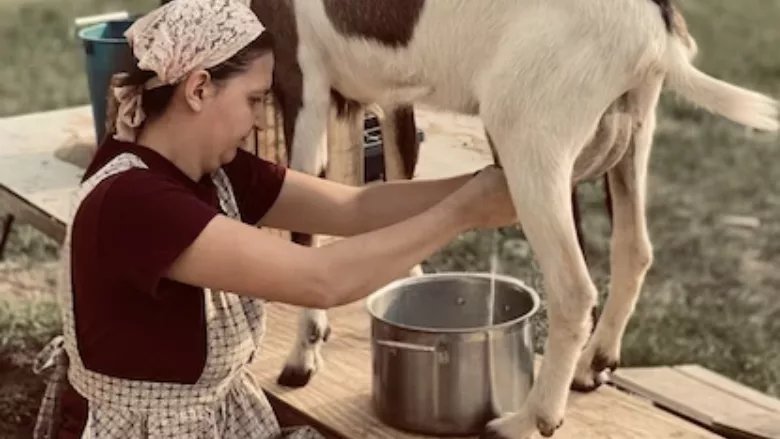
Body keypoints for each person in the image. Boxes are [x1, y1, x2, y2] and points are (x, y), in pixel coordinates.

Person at [31, 0, 518, 437]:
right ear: (198, 89)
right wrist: (464, 211)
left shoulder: (212, 170)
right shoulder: (133, 201)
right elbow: (320, 279)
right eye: (254, 100)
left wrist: (499, 183)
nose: (258, 122)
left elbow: (355, 208)